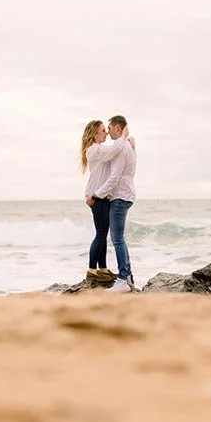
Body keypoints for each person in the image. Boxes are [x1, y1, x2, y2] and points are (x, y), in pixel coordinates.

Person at [86, 114, 137, 293]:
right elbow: (114, 153)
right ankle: (98, 270)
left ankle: (121, 277)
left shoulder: (120, 148)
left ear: (117, 128)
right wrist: (95, 195)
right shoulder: (97, 150)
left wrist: (98, 194)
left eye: (108, 129)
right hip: (106, 196)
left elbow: (115, 175)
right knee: (106, 234)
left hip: (113, 196)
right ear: (94, 134)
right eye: (103, 130)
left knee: (113, 237)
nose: (106, 133)